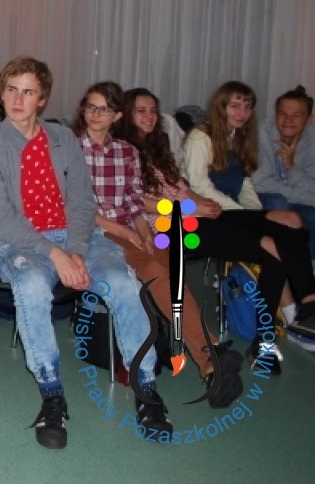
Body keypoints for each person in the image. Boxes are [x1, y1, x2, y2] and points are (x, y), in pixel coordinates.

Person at [0, 57, 170, 449]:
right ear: (2, 93)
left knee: (123, 283)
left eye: (28, 92)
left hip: (77, 236)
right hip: (16, 242)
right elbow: (3, 220)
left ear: (42, 99)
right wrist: (56, 255)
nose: (17, 100)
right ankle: (51, 395)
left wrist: (75, 250)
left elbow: (81, 202)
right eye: (11, 90)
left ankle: (146, 387)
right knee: (30, 285)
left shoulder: (62, 138)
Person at [73, 82, 242, 407]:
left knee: (170, 269)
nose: (95, 114)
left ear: (116, 115)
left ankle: (210, 365)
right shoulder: (70, 149)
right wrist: (125, 233)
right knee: (154, 271)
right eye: (90, 107)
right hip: (96, 232)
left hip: (129, 229)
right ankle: (210, 353)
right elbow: (75, 207)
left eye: (104, 109)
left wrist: (145, 234)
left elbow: (134, 203)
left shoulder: (127, 151)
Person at [179, 81, 315, 361]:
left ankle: (307, 306)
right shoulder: (200, 137)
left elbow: (246, 186)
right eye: (235, 106)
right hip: (199, 219)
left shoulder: (239, 138)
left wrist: (255, 213)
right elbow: (199, 186)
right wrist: (244, 214)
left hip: (230, 214)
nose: (241, 113)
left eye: (247, 107)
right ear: (221, 107)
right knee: (274, 245)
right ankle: (275, 331)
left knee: (290, 220)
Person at [253, 85, 315, 264]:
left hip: (296, 200)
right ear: (275, 114)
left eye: (296, 115)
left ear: (308, 118)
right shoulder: (261, 133)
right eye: (282, 113)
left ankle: (308, 268)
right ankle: (282, 265)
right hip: (264, 197)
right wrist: (307, 197)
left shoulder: (312, 139)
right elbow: (260, 182)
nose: (288, 120)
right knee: (278, 203)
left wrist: (291, 168)